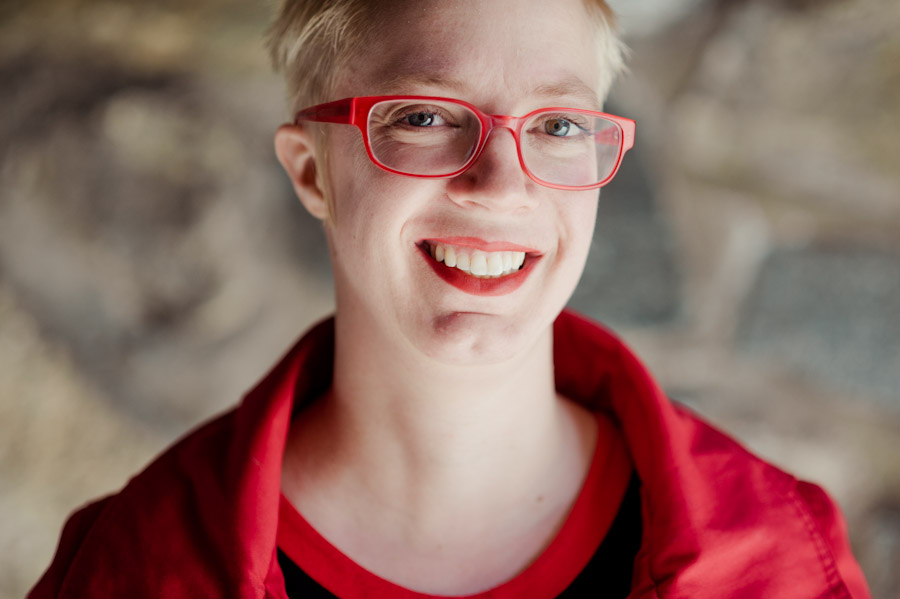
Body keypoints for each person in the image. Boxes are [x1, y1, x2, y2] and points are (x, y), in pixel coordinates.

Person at [29, 0, 870, 597]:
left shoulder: (782, 557)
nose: (500, 185)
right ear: (311, 171)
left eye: (558, 125)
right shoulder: (129, 568)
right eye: (425, 117)